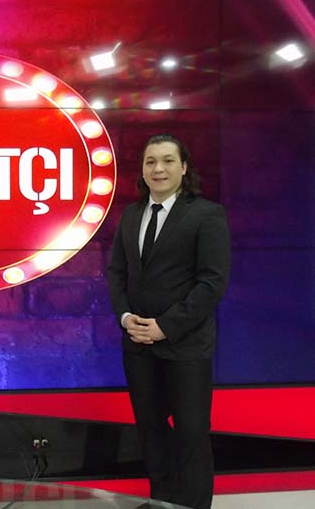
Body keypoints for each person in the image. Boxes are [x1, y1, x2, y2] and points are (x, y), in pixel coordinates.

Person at [106, 134, 231, 509]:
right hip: (138, 346)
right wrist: (126, 317)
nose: (158, 169)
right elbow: (116, 273)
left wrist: (165, 326)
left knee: (192, 433)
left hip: (186, 345)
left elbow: (211, 283)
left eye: (167, 160)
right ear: (143, 169)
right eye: (150, 161)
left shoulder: (206, 215)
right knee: (151, 431)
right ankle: (163, 501)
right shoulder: (131, 215)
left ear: (184, 167)